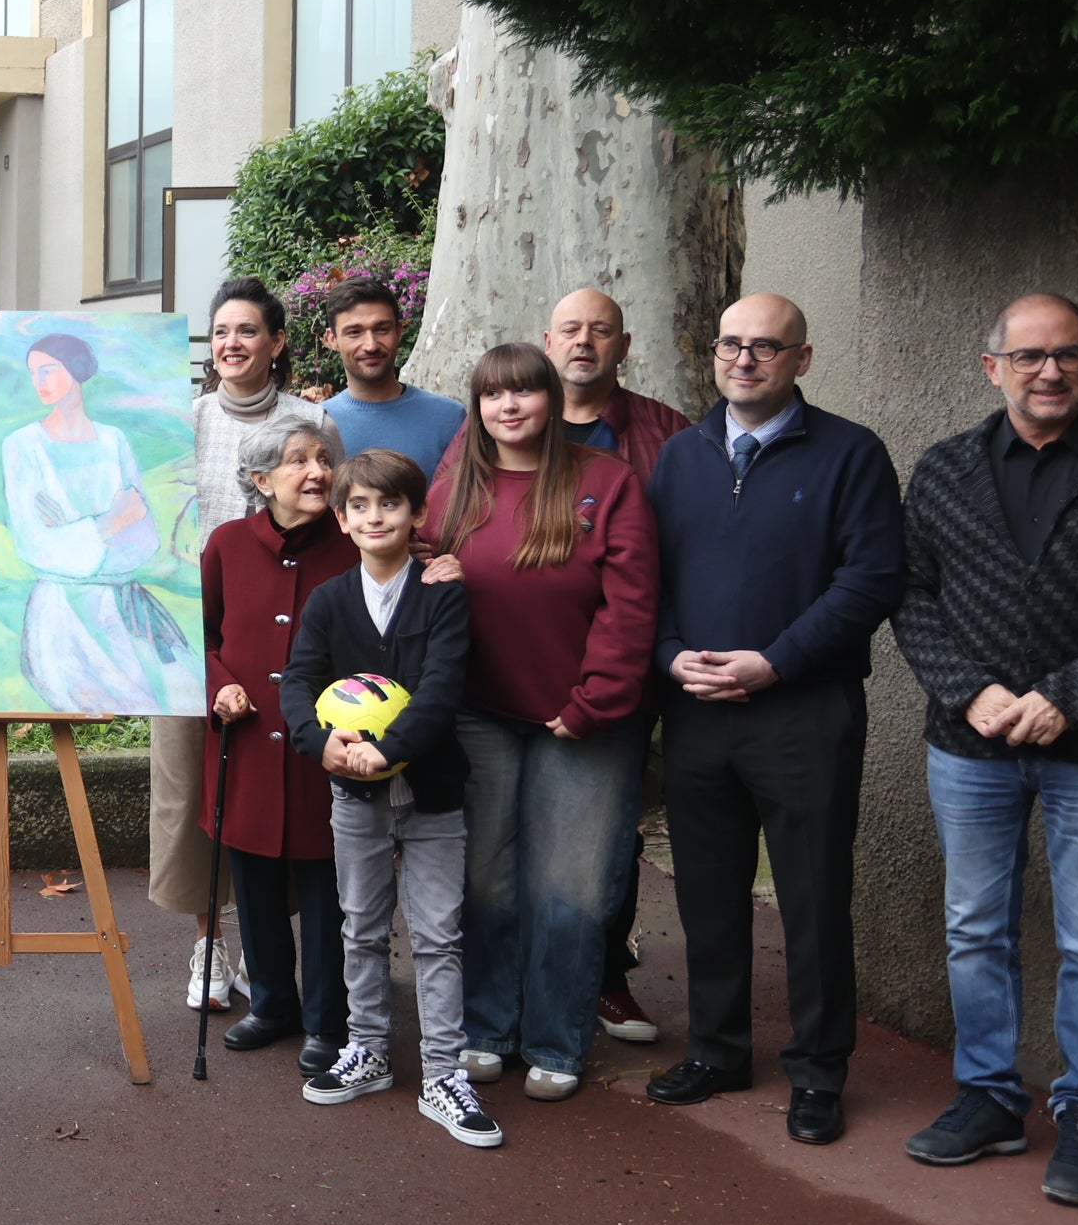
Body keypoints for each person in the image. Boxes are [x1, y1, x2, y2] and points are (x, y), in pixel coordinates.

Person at [892, 292, 1078, 1208]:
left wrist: (1069, 698)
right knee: (976, 928)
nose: (1047, 371)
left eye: (1066, 355)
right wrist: (971, 692)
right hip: (969, 744)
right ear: (992, 368)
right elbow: (912, 596)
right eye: (1028, 357)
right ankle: (989, 1098)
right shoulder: (941, 471)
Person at [642, 293, 905, 1147]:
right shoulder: (680, 458)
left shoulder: (851, 455)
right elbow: (650, 580)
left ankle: (820, 1072)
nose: (744, 360)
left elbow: (870, 580)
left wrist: (775, 661)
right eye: (730, 345)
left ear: (803, 358)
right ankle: (718, 1050)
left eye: (765, 347)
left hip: (802, 711)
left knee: (813, 900)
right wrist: (670, 653)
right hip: (698, 711)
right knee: (710, 897)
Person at [441, 289, 695, 1047]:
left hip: (581, 718)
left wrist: (595, 700)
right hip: (481, 712)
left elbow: (633, 601)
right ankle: (488, 1029)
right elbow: (420, 555)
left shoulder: (607, 480)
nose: (509, 407)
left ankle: (557, 1039)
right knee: (487, 880)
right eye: (493, 394)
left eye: (523, 392)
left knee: (573, 890)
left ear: (551, 398)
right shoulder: (459, 477)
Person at [281, 449, 496, 1146]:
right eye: (360, 507)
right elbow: (297, 683)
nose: (375, 517)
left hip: (432, 795)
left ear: (416, 515)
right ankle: (368, 1050)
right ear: (341, 521)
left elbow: (441, 688)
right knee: (361, 929)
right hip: (355, 798)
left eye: (390, 504)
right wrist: (323, 743)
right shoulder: (328, 601)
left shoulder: (442, 594)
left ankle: (442, 1074)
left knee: (438, 936)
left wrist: (390, 746)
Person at [152, 279, 340, 1014]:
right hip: (192, 625)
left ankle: (276, 958)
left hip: (286, 619)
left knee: (285, 789)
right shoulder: (185, 417)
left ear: (277, 342)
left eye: (249, 331)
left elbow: (334, 517)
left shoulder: (312, 421)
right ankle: (209, 940)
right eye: (222, 330)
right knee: (188, 787)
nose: (233, 343)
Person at [202, 421, 355, 1073]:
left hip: (328, 752)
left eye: (325, 460)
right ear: (262, 480)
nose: (317, 472)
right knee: (255, 884)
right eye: (298, 462)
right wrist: (222, 685)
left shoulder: (355, 545)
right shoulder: (227, 545)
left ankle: (328, 1018)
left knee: (327, 890)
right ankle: (271, 1004)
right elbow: (200, 637)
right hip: (246, 749)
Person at [3, 331, 201, 713]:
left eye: (48, 370)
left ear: (76, 370)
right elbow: (33, 542)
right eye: (33, 373)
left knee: (177, 687)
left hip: (124, 603)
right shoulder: (23, 445)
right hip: (62, 614)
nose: (38, 382)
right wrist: (108, 523)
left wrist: (75, 529)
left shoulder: (114, 441)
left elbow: (145, 537)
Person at [317, 277, 466, 477]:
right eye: (354, 332)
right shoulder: (316, 423)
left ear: (398, 331)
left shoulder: (449, 417)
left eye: (381, 329)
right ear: (332, 340)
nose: (370, 345)